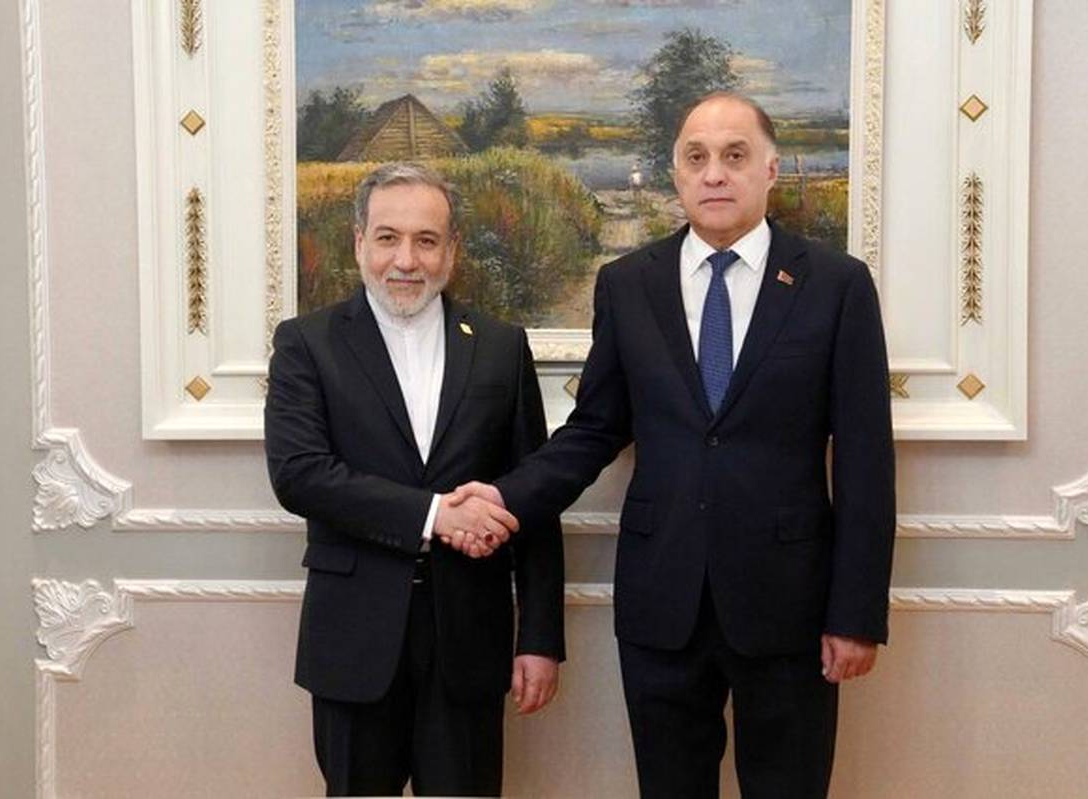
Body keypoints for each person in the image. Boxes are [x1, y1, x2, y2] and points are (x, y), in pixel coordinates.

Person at [448, 92, 896, 798]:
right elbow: (594, 429)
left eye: (735, 155)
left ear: (771, 169)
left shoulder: (835, 285)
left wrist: (856, 614)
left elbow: (868, 461)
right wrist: (504, 495)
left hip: (789, 603)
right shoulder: (628, 284)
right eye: (697, 157)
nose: (715, 173)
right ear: (676, 174)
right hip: (662, 600)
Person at [264, 162, 564, 797]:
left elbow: (533, 498)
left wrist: (539, 639)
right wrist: (435, 515)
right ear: (359, 243)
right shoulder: (306, 344)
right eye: (387, 238)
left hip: (470, 640)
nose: (406, 260)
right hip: (354, 638)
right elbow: (300, 475)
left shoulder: (501, 347)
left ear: (451, 250)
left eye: (426, 240)